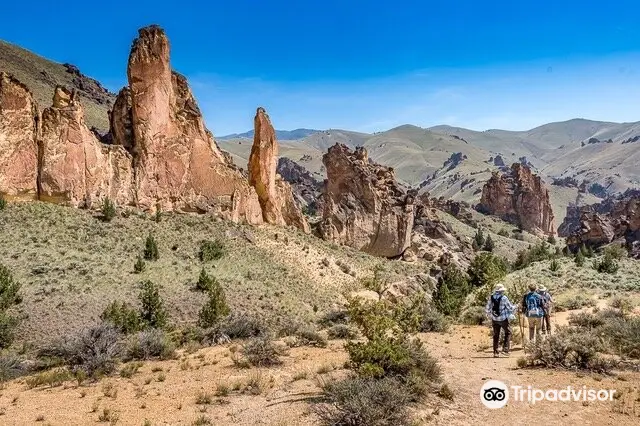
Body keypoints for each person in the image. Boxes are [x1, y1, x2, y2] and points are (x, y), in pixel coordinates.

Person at [485, 284, 516, 358]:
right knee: (508, 332)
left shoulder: (491, 297)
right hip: (503, 319)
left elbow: (487, 308)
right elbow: (510, 308)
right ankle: (505, 349)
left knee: (496, 335)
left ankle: (496, 352)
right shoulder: (504, 298)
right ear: (501, 290)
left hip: (494, 319)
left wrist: (489, 315)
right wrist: (516, 306)